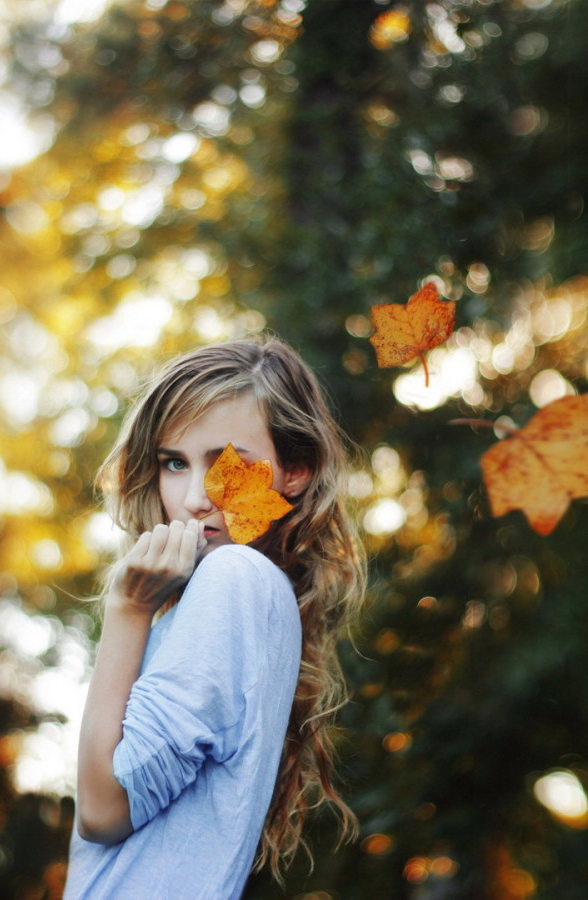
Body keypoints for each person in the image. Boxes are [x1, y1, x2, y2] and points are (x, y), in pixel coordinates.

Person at [65, 335, 365, 898]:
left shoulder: (235, 579)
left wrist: (127, 609)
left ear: (294, 470)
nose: (197, 498)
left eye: (229, 465)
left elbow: (104, 812)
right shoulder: (237, 596)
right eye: (174, 463)